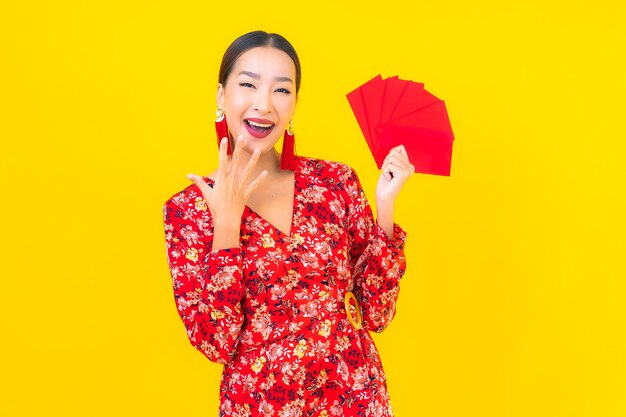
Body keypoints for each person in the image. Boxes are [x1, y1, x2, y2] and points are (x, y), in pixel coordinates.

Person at [162, 30, 415, 417]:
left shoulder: (335, 183)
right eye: (248, 84)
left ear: (295, 103)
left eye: (281, 90)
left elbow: (377, 314)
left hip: (355, 397)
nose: (264, 105)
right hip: (260, 406)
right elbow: (216, 344)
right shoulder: (188, 210)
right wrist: (227, 228)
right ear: (221, 97)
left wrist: (385, 206)